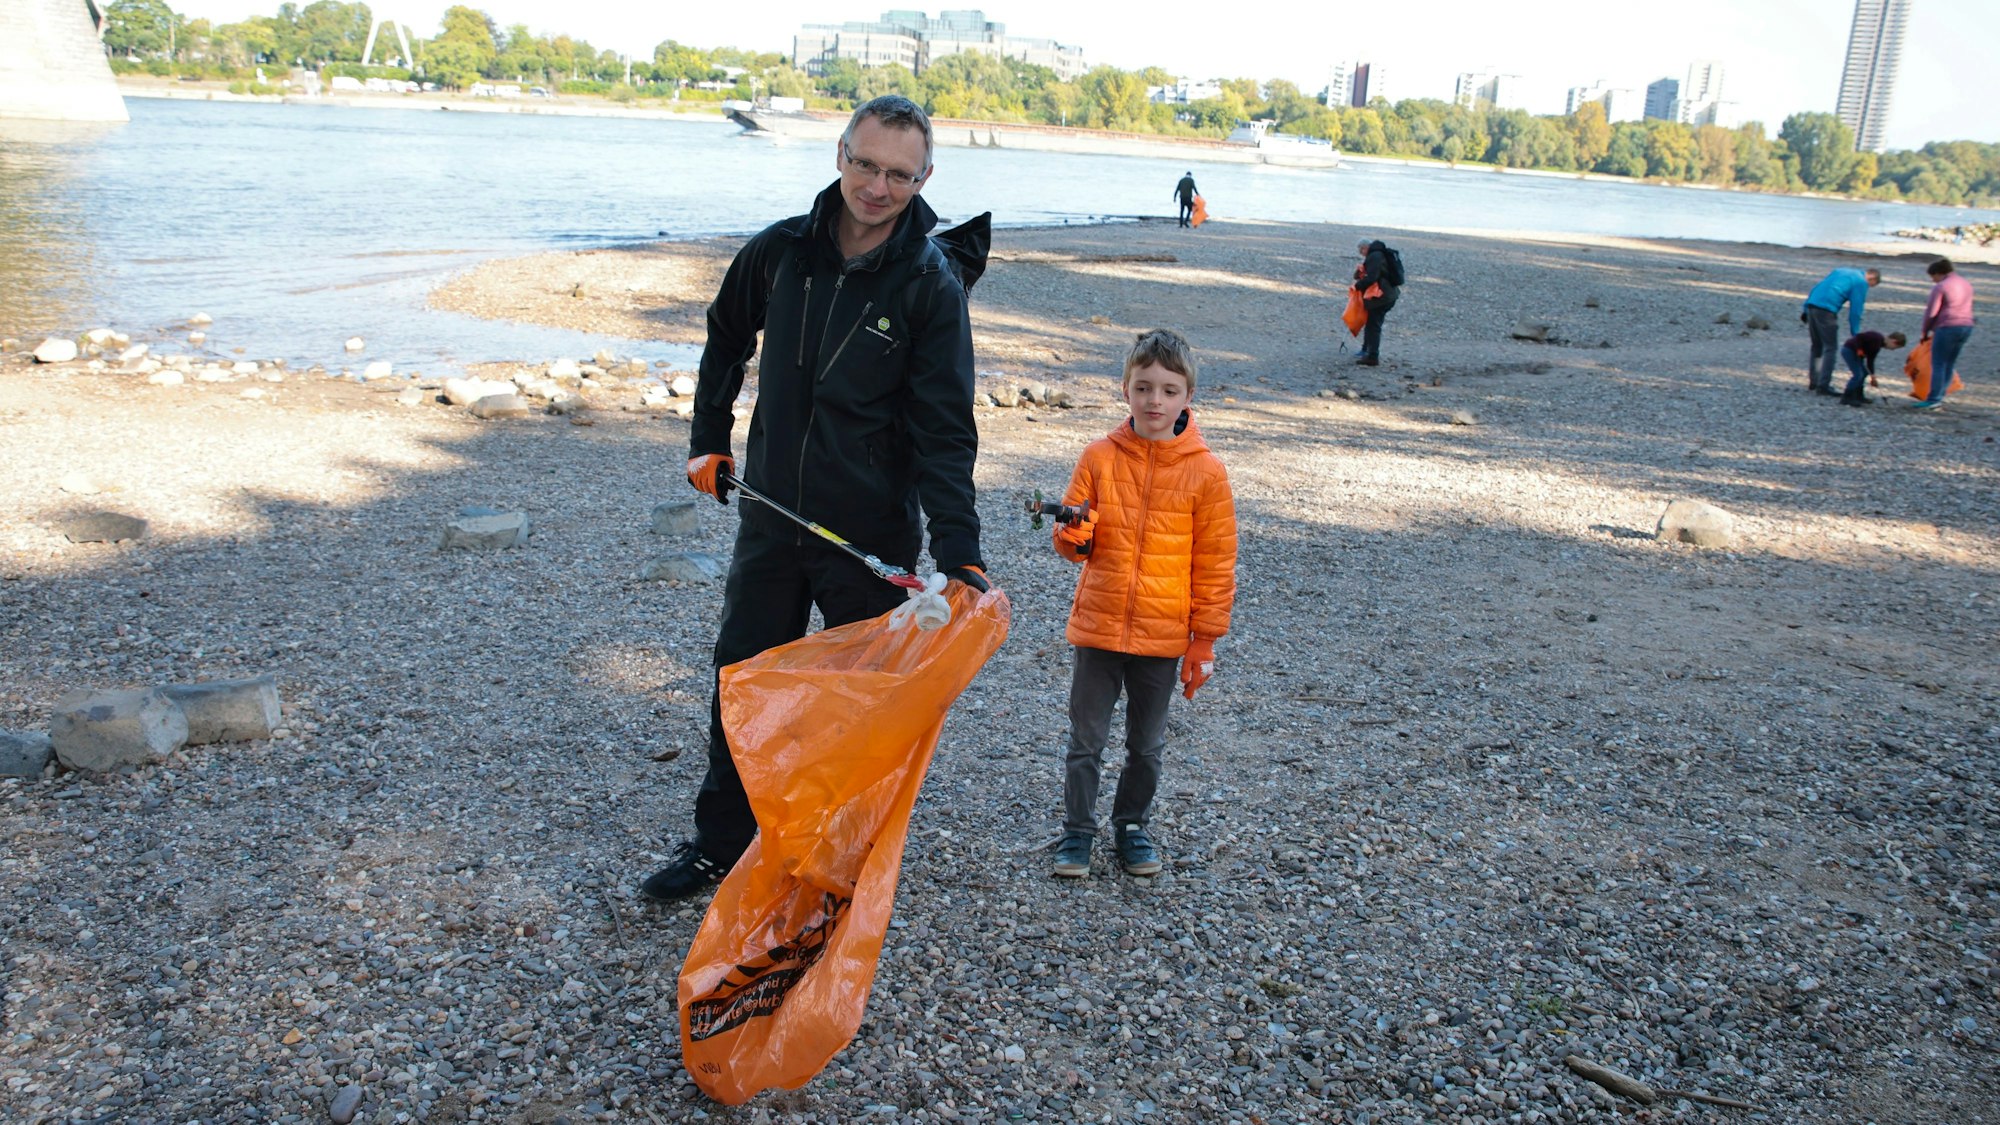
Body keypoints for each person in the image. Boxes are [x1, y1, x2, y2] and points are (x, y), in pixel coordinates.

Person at [641, 95, 989, 902]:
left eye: (898, 175)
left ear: (924, 178)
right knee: (742, 681)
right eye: (865, 164)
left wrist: (960, 550)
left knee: (857, 704)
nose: (877, 186)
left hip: (869, 534)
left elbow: (945, 429)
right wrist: (709, 435)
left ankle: (837, 857)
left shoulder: (929, 285)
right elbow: (726, 334)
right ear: (839, 154)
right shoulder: (780, 251)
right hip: (771, 514)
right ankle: (721, 844)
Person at [1048, 329, 1238, 878]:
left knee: (1147, 744)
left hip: (1163, 635)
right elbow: (1071, 543)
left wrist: (1204, 641)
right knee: (1086, 740)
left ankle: (1132, 826)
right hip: (1099, 628)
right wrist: (1073, 536)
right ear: (1125, 390)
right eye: (1144, 388)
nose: (1156, 401)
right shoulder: (1098, 457)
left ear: (1188, 397)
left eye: (1169, 390)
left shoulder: (1207, 472)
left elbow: (1216, 561)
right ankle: (1077, 832)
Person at [1801, 266, 1879, 395]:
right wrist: (1856, 335)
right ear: (1872, 279)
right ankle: (1823, 385)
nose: (1868, 288)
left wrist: (1805, 308)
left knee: (1817, 346)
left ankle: (1814, 381)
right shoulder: (1861, 282)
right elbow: (1856, 310)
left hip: (1811, 306)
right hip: (1826, 311)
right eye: (1871, 286)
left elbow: (1818, 287)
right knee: (1830, 348)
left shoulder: (1840, 271)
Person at [1915, 257, 1976, 411]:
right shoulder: (1965, 283)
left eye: (1933, 277)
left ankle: (1933, 399)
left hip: (1947, 326)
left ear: (1938, 273)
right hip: (1966, 326)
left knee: (1939, 363)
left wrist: (1925, 331)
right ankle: (1940, 395)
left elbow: (1932, 312)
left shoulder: (1941, 286)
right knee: (1949, 363)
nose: (1933, 281)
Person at [1353, 239, 1400, 366]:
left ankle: (1372, 356)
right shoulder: (1380, 254)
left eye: (1361, 250)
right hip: (1390, 295)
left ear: (1365, 248)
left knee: (1373, 325)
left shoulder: (1374, 256)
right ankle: (1366, 350)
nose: (1361, 253)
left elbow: (1372, 277)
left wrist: (1357, 286)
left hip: (1382, 297)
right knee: (1372, 323)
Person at [1837, 329, 1907, 407]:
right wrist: (1859, 349)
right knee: (1858, 375)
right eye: (1895, 347)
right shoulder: (1876, 337)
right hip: (1849, 350)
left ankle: (1858, 395)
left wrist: (1872, 376)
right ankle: (1846, 397)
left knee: (1864, 372)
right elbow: (1858, 337)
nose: (1892, 350)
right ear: (1894, 341)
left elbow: (1870, 361)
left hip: (1857, 354)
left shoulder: (1878, 346)